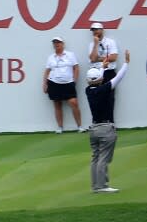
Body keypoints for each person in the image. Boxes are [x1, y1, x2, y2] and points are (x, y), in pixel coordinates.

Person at [84, 52, 129, 193]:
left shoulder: (88, 90)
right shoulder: (103, 89)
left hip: (94, 129)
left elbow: (98, 79)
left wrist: (102, 67)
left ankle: (95, 186)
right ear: (100, 79)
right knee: (103, 159)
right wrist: (126, 63)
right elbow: (118, 77)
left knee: (95, 158)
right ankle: (102, 186)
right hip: (106, 128)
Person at [42, 37, 83, 132]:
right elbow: (47, 71)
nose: (56, 44)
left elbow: (76, 68)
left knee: (74, 103)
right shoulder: (51, 57)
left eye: (58, 42)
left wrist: (74, 81)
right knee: (57, 104)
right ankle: (60, 127)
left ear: (62, 44)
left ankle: (79, 126)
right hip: (53, 83)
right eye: (55, 43)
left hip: (68, 83)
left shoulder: (70, 55)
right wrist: (44, 84)